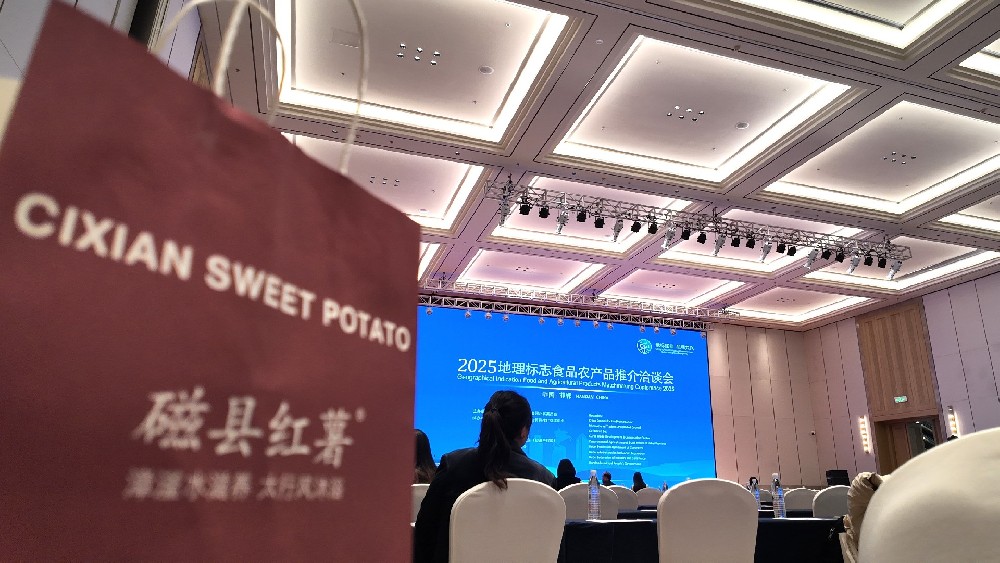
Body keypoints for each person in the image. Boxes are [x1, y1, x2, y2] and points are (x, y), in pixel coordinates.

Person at [413, 390, 556, 563]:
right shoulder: (543, 479)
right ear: (524, 431)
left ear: (486, 422)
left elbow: (425, 530)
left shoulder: (453, 465)